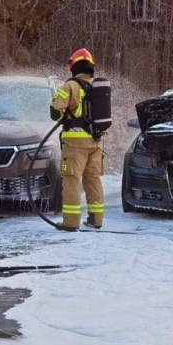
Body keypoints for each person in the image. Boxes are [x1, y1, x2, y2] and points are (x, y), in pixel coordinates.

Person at [51, 49, 104, 230]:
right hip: (96, 142)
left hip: (74, 144)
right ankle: (96, 220)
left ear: (73, 65)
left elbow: (54, 112)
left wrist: (64, 117)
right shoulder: (98, 85)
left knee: (71, 180)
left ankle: (71, 222)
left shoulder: (70, 86)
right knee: (93, 179)